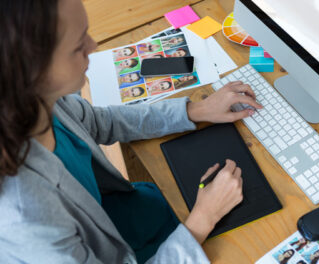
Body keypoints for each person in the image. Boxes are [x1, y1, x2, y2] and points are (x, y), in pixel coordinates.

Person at [0, 0, 263, 263]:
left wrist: (196, 110)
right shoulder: (25, 217)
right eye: (79, 45)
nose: (94, 46)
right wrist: (203, 219)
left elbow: (103, 121)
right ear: (33, 70)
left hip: (129, 217)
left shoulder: (38, 102)